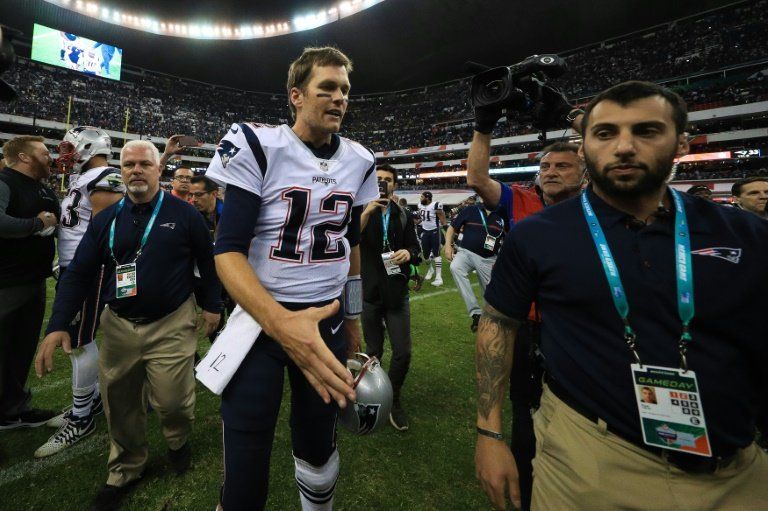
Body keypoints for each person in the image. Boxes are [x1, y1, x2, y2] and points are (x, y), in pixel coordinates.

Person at [475, 81, 768, 511]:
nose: (625, 147)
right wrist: (488, 432)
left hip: (735, 466)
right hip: (591, 454)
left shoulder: (746, 234)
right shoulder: (540, 233)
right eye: (606, 133)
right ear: (587, 147)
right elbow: (498, 322)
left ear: (682, 143)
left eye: (647, 131)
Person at [205, 46, 378, 511]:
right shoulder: (258, 143)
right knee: (245, 459)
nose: (340, 98)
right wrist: (282, 324)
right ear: (296, 96)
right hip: (260, 322)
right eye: (328, 88)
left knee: (318, 447)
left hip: (327, 321)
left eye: (345, 90)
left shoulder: (360, 159)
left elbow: (351, 247)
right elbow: (227, 249)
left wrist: (353, 320)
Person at [35, 139, 222, 510]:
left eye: (144, 164)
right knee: (119, 405)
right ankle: (124, 468)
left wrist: (212, 306)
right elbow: (80, 272)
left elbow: (207, 262)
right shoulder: (106, 219)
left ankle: (177, 439)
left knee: (172, 402)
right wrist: (58, 324)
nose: (136, 170)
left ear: (158, 170)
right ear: (120, 172)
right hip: (119, 324)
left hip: (172, 321)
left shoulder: (185, 215)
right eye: (129, 165)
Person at [467, 136, 585, 510]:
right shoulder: (519, 199)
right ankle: (527, 489)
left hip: (574, 329)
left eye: (562, 166)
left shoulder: (599, 208)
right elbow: (477, 178)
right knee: (523, 411)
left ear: (585, 173)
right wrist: (484, 128)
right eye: (545, 166)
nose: (550, 172)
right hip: (523, 327)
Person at [34, 127, 125, 459]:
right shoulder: (85, 177)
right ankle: (91, 402)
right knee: (79, 339)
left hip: (88, 269)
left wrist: (81, 266)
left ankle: (81, 417)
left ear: (88, 147)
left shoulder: (106, 177)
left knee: (78, 340)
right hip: (74, 267)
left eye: (70, 149)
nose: (65, 155)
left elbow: (104, 231)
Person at [0, 135, 60, 430]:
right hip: (6, 282)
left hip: (34, 279)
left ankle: (13, 409)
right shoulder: (5, 182)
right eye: (44, 152)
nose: (50, 157)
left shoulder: (43, 188)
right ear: (24, 156)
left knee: (21, 349)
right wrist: (36, 224)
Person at [359, 164, 421, 431]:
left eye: (387, 180)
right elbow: (349, 239)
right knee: (373, 352)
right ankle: (372, 396)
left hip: (396, 293)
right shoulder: (361, 209)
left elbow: (415, 248)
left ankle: (393, 398)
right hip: (369, 293)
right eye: (379, 179)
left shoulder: (403, 214)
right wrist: (367, 210)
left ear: (395, 185)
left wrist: (408, 253)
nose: (383, 183)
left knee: (403, 352)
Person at [444, 199, 504, 332]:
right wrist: (448, 245)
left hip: (488, 259)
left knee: (489, 294)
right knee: (455, 267)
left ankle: (489, 321)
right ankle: (476, 313)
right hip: (466, 252)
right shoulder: (470, 210)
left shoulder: (503, 214)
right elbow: (452, 227)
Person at [189, 175, 231, 343]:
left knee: (236, 326)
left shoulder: (231, 214)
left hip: (231, 277)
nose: (193, 199)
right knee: (213, 328)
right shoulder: (190, 216)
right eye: (191, 195)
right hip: (202, 279)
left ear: (214, 194)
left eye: (198, 195)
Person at [417, 191, 446, 286]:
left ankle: (439, 277)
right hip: (425, 232)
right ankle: (430, 270)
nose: (420, 198)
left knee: (436, 254)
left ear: (427, 198)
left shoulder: (436, 205)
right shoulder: (420, 205)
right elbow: (422, 218)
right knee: (425, 256)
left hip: (435, 232)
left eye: (422, 197)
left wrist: (445, 227)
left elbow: (442, 218)